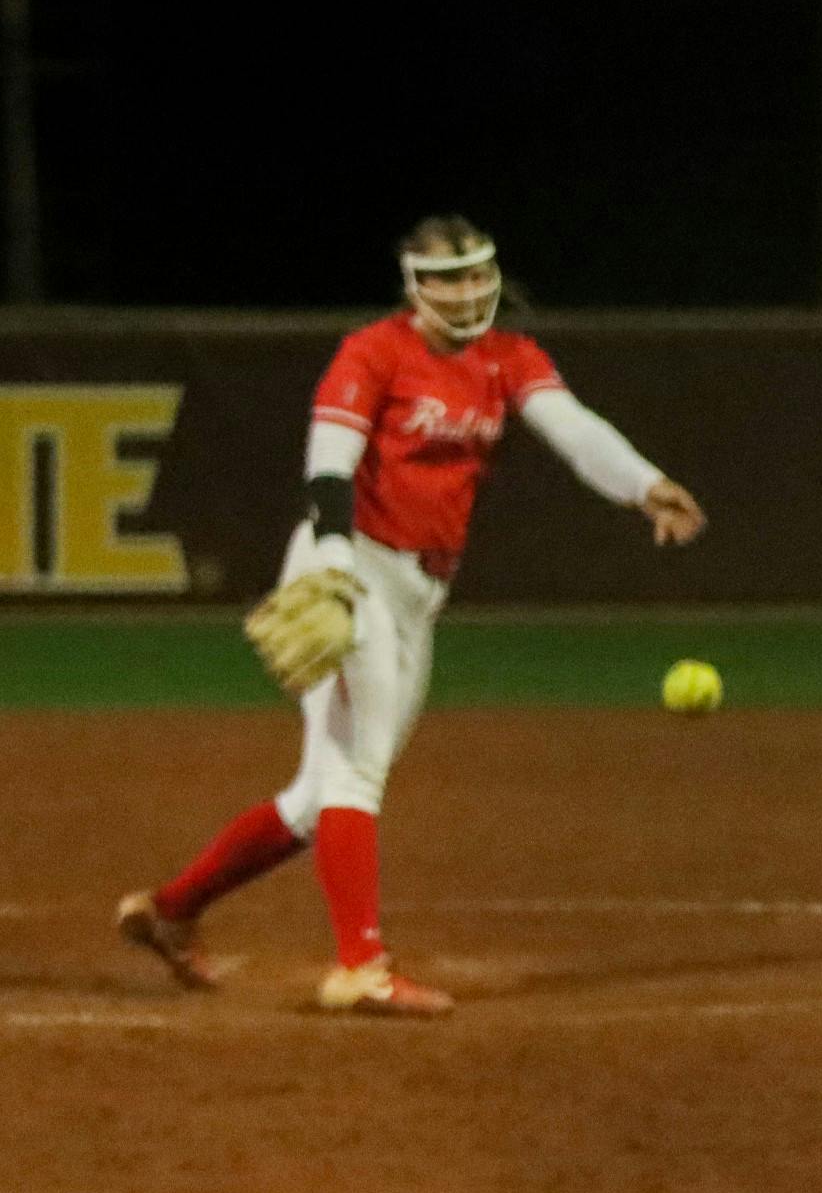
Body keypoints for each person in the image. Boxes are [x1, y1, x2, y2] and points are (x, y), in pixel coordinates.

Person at [117, 214, 706, 1016]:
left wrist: (644, 483)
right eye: (447, 277)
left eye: (475, 274)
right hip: (350, 563)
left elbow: (572, 429)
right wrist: (329, 559)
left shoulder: (507, 358)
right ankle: (359, 965)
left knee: (316, 792)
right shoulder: (375, 351)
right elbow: (329, 460)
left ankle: (172, 909)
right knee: (359, 769)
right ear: (414, 287)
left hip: (419, 589)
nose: (465, 291)